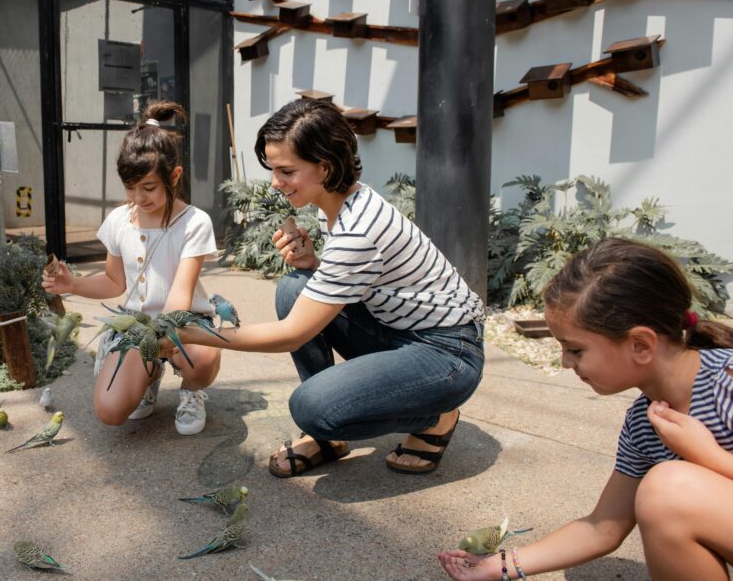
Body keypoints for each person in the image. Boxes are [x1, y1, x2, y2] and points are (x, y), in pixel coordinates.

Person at [177, 98, 485, 476]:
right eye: (273, 169)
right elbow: (359, 281)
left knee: (313, 408)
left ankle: (434, 417)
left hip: (447, 354)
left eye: (286, 170)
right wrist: (316, 266)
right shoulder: (341, 204)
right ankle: (327, 436)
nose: (276, 182)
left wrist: (190, 334)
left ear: (324, 166)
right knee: (295, 286)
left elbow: (291, 336)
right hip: (400, 332)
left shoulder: (359, 228)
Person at [439, 237, 733, 581]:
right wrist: (499, 566)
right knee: (665, 494)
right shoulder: (644, 421)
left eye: (575, 350)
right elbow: (603, 527)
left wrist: (708, 456)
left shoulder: (726, 380)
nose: (565, 362)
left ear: (640, 344)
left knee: (669, 489)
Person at [42, 101, 221, 435]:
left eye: (149, 187)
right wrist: (72, 284)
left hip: (183, 320)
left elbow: (180, 293)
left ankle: (192, 391)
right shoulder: (119, 220)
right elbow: (113, 282)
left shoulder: (194, 222)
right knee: (110, 412)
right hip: (137, 326)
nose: (139, 197)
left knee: (202, 358)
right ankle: (149, 375)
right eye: (130, 187)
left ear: (175, 176)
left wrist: (162, 339)